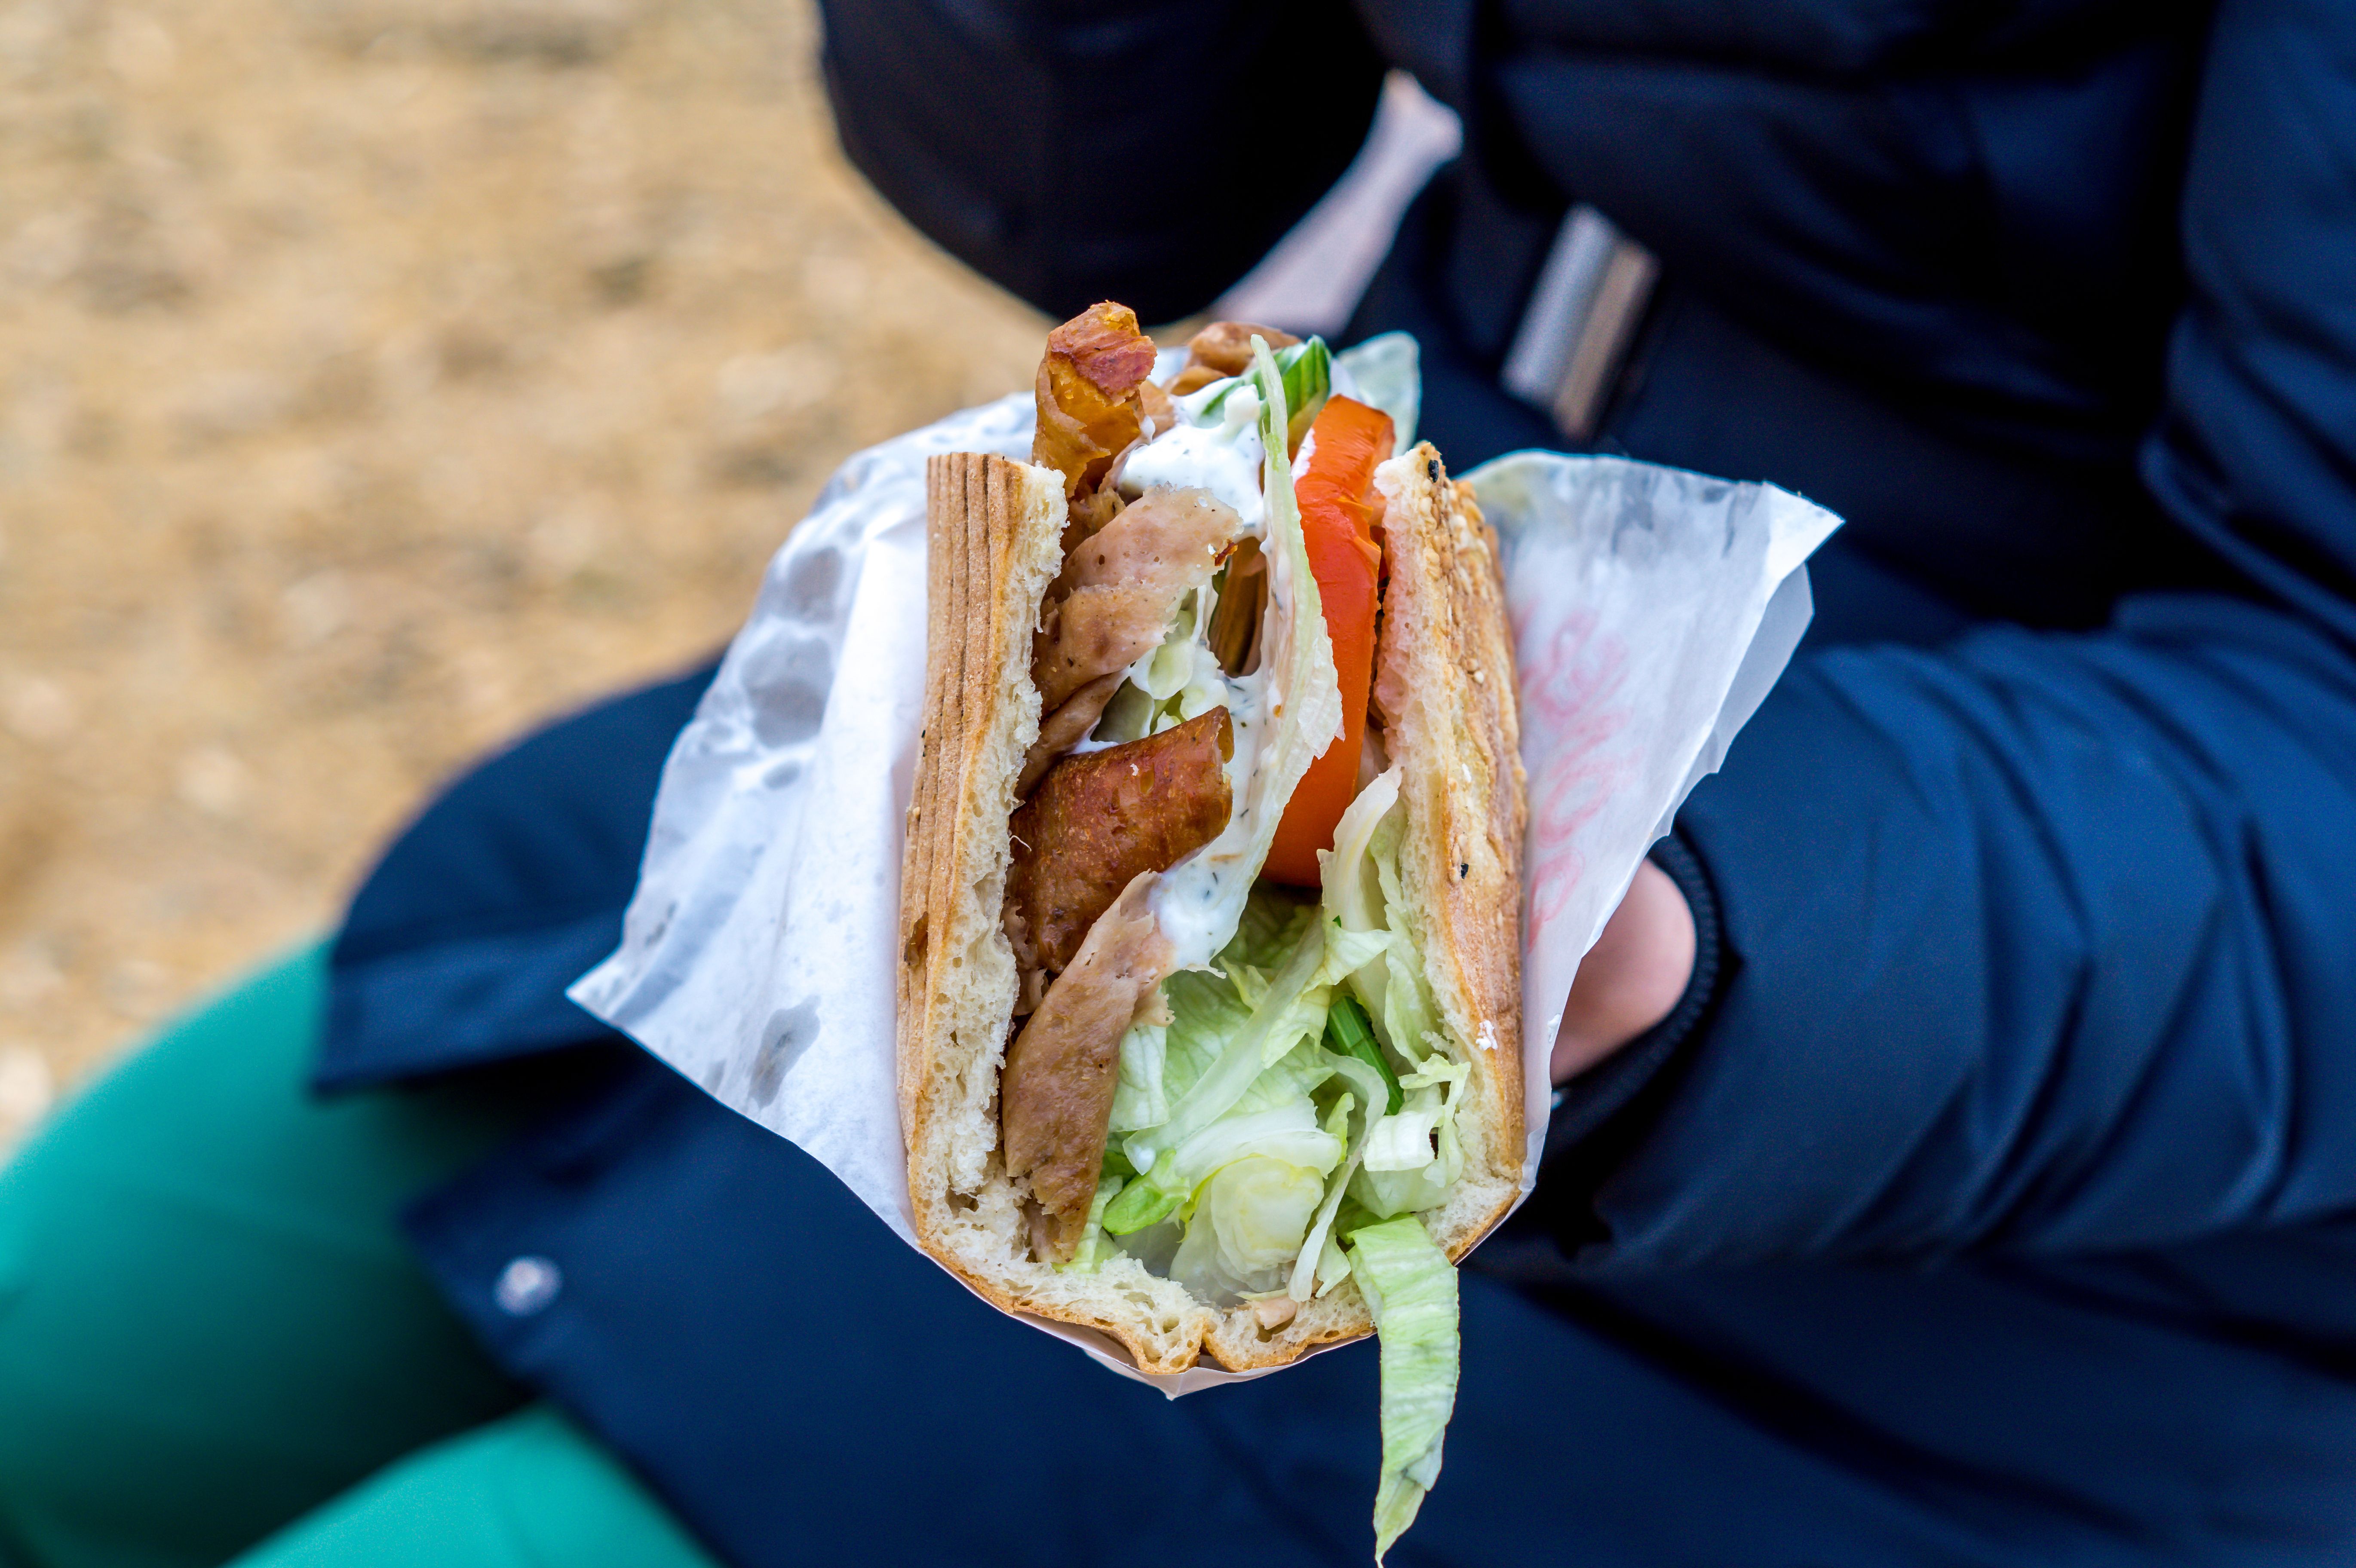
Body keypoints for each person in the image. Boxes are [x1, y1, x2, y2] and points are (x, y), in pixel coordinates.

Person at [4, 0, 2353, 1563]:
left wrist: (1640, 923)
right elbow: (1128, 191)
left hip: (1998, 1186)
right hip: (1253, 702)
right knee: (66, 1346)